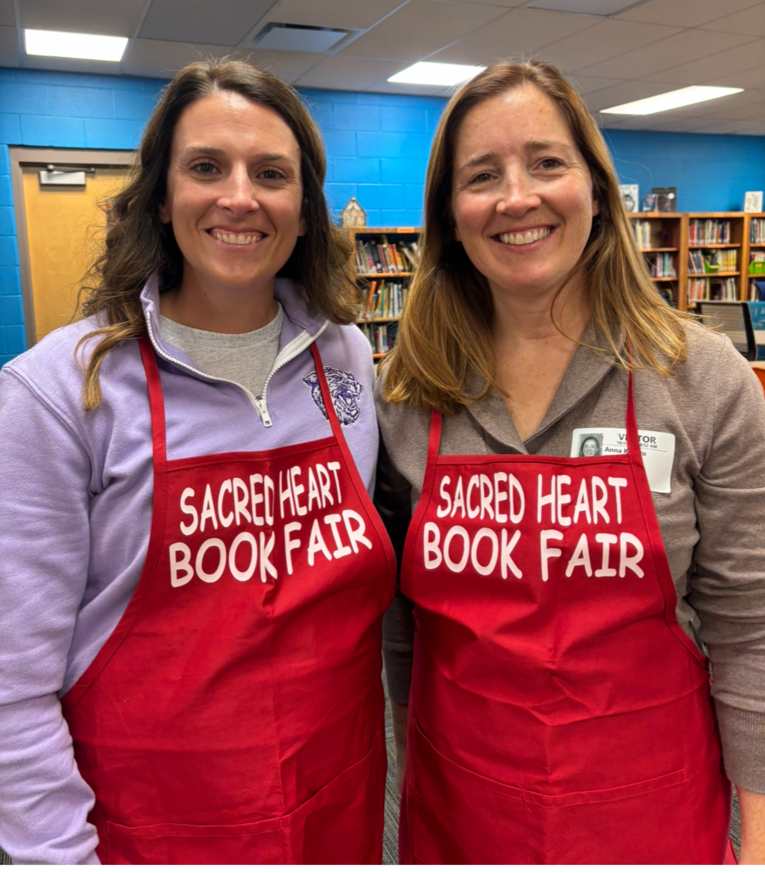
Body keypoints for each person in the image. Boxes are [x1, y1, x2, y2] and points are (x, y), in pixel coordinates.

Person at [0, 60, 395, 864]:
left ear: (305, 210)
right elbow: (10, 687)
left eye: (272, 174)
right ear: (158, 196)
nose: (239, 196)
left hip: (335, 804)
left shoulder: (346, 357)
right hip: (152, 826)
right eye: (206, 167)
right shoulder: (57, 390)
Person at [375, 60, 765, 865]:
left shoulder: (699, 377)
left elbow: (749, 631)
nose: (516, 197)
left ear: (594, 186)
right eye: (481, 175)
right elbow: (397, 640)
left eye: (546, 162)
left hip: (650, 809)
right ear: (451, 213)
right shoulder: (404, 393)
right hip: (460, 808)